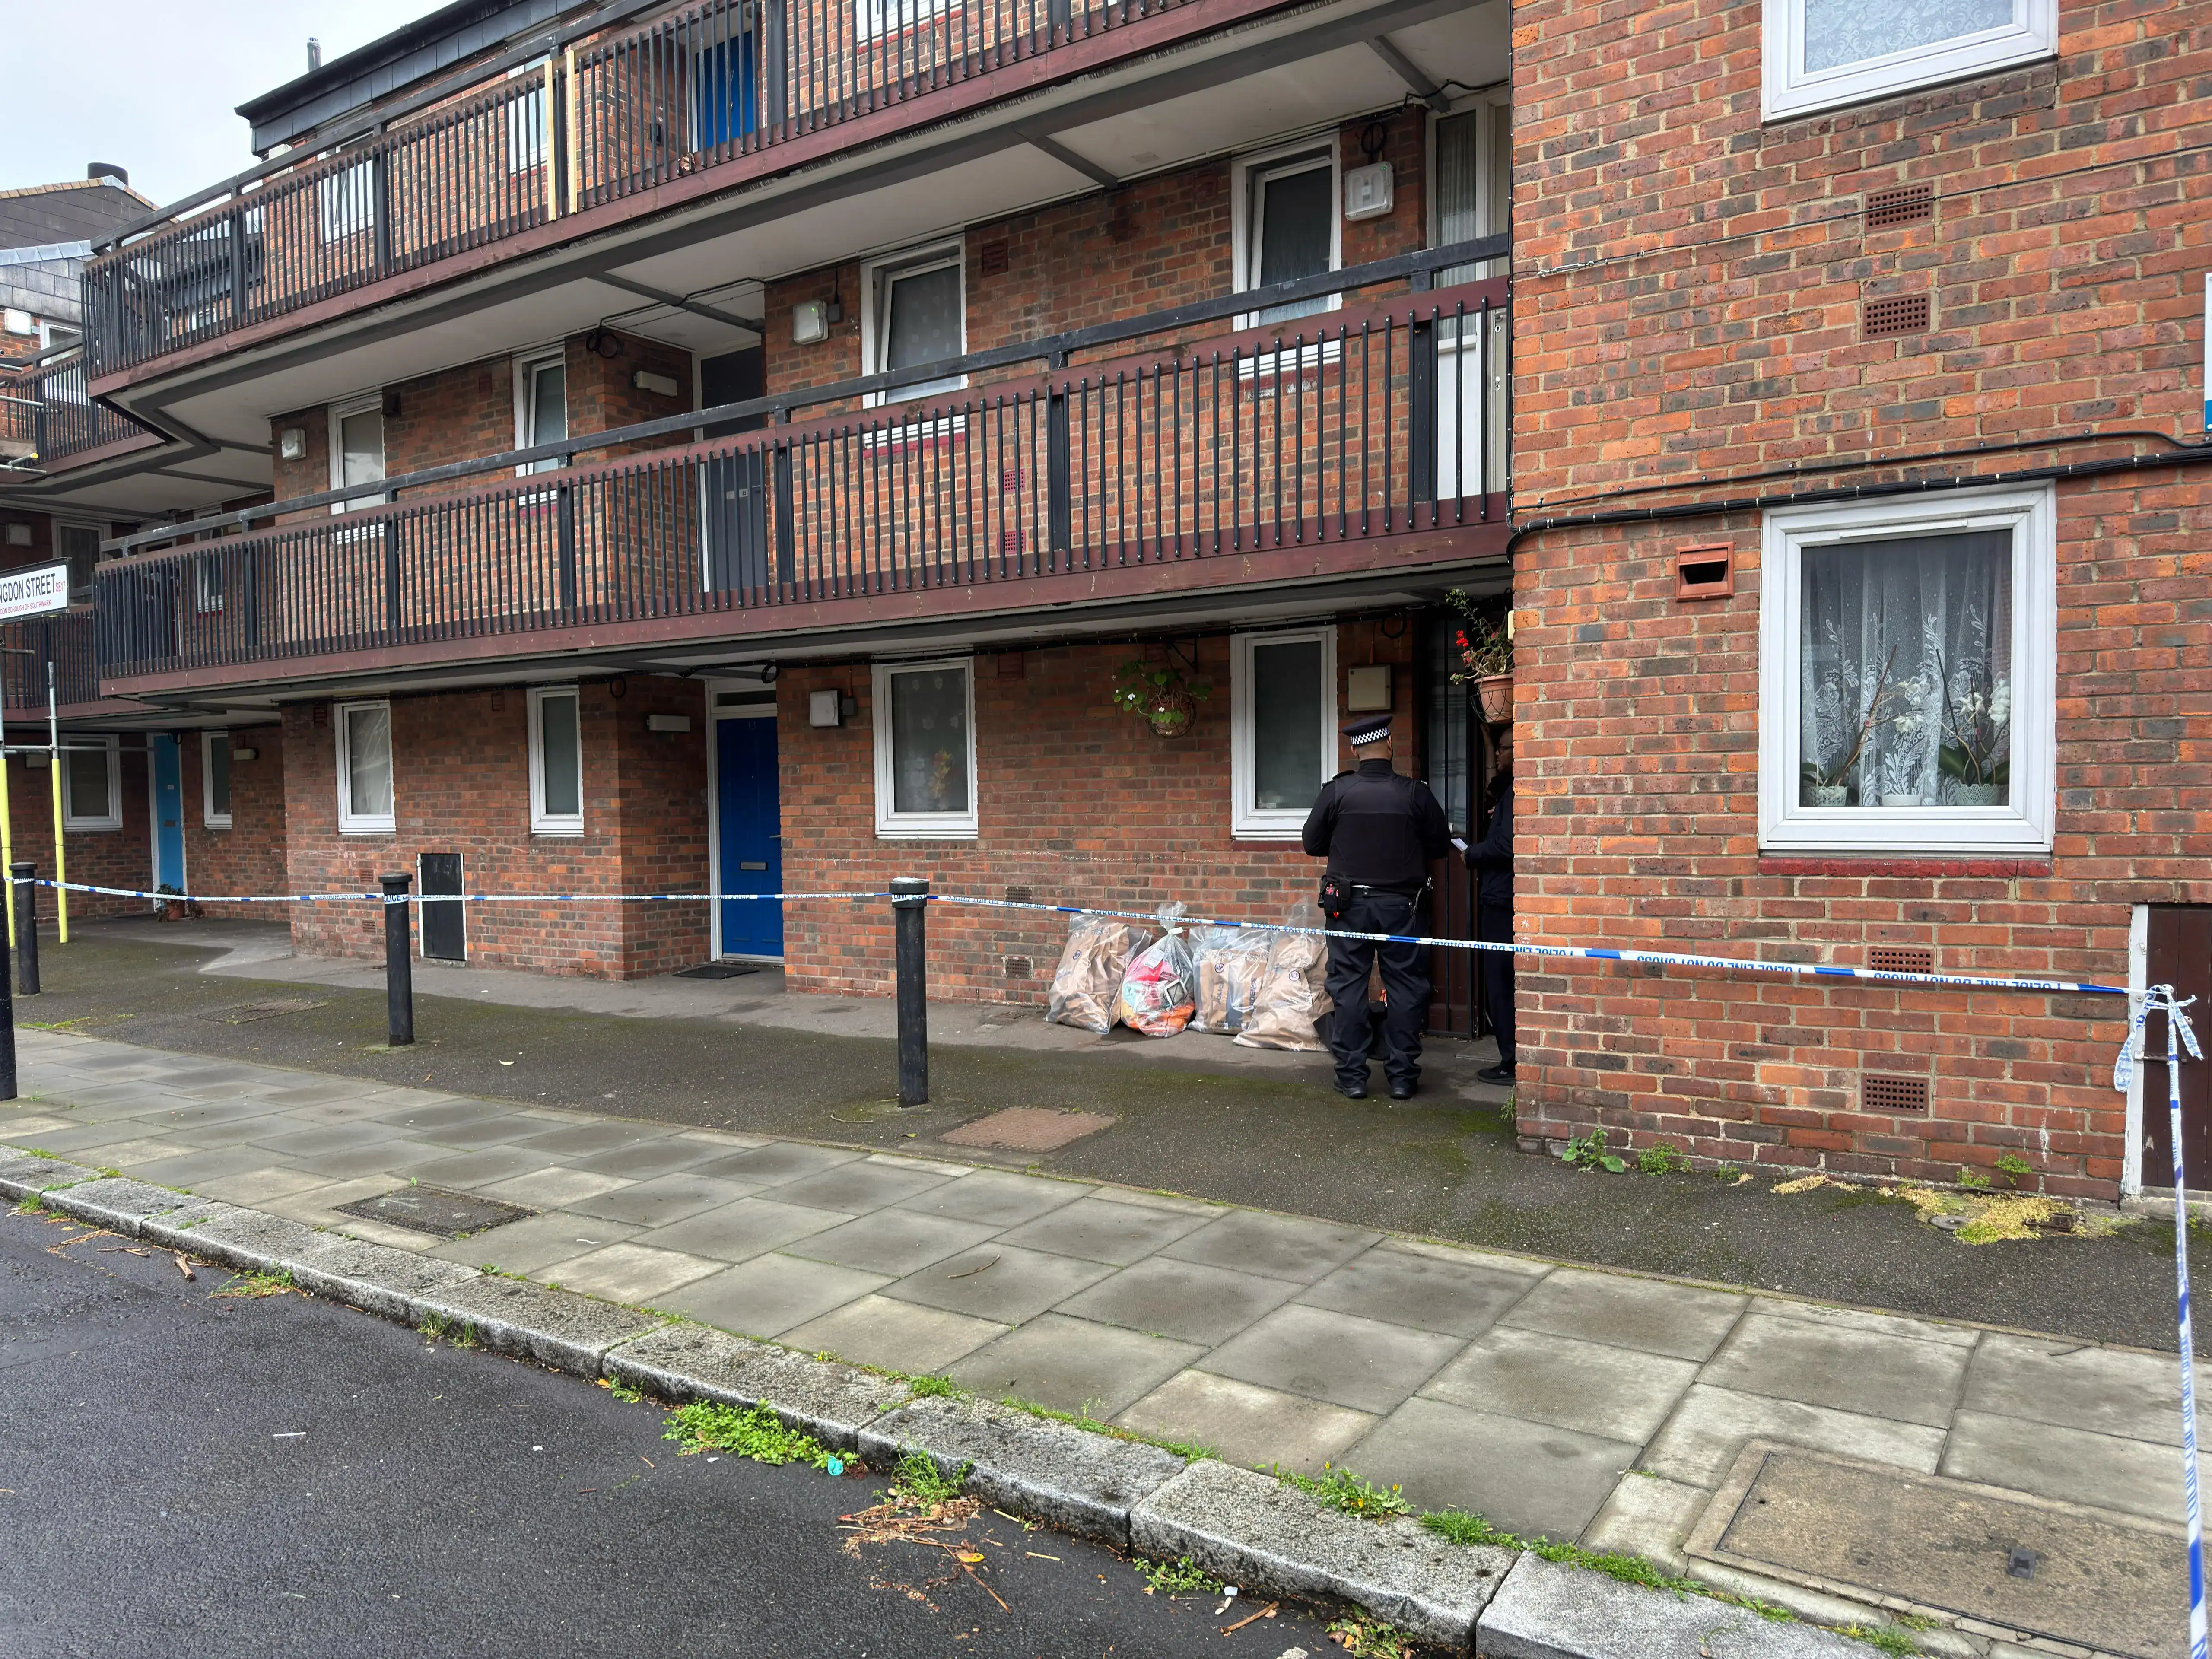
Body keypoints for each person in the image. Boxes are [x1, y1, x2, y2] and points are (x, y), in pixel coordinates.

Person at [1301, 714, 1452, 1101]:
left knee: (1348, 987)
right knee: (1405, 989)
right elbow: (1439, 846)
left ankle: (1352, 1076)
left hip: (1348, 907)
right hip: (1403, 908)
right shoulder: (1415, 793)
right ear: (1390, 747)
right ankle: (1402, 1078)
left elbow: (1312, 843)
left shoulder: (1337, 792)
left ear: (1355, 750)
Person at [1465, 729, 1514, 1083]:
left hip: (1501, 902)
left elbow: (1505, 847)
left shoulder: (1516, 793)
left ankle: (1511, 1062)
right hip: (1500, 897)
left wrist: (1471, 854)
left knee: (1500, 985)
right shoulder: (1508, 790)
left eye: (1503, 748)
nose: (1498, 754)